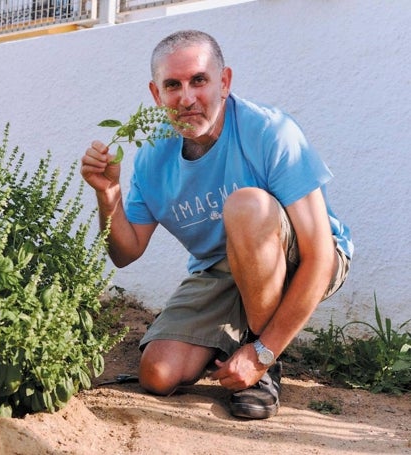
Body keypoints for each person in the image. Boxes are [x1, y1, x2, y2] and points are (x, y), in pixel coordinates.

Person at [80, 30, 353, 419]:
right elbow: (126, 252)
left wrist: (261, 353)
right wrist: (108, 195)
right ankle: (234, 338)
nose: (187, 98)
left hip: (309, 256)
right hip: (223, 268)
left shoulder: (270, 131)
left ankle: (261, 364)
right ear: (156, 95)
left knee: (246, 206)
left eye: (199, 80)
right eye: (172, 85)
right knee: (158, 374)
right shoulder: (152, 156)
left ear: (224, 82)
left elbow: (320, 256)